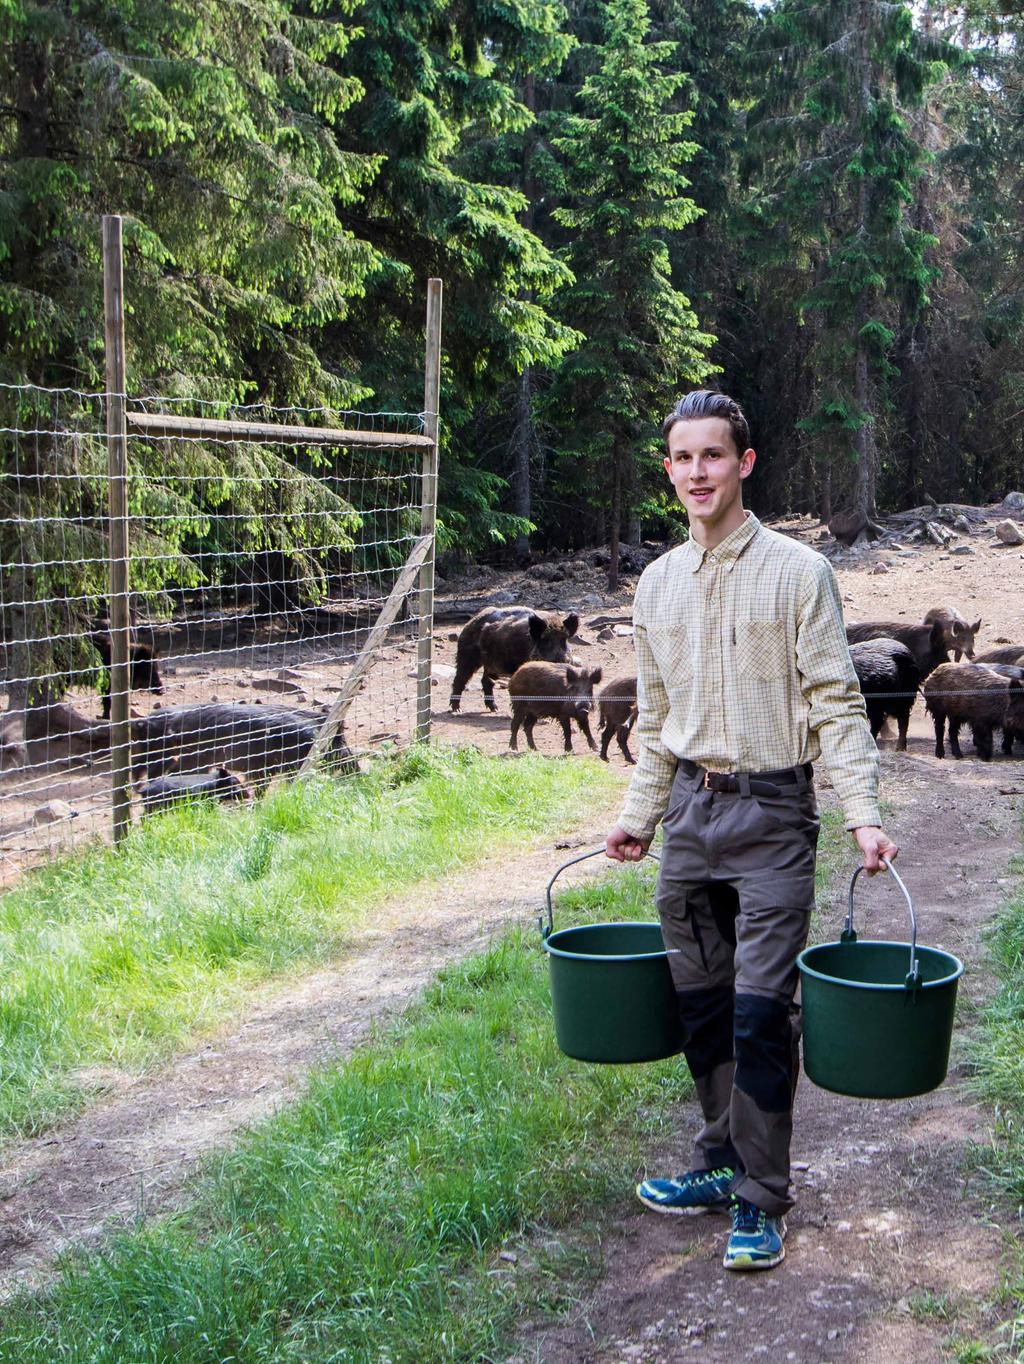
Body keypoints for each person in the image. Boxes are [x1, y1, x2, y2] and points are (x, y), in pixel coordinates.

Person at [605, 390, 898, 1272]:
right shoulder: (656, 585)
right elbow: (655, 720)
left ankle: (763, 1200)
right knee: (701, 1006)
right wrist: (636, 818)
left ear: (745, 464)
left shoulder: (799, 573)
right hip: (691, 816)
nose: (698, 472)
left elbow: (837, 704)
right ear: (670, 470)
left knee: (762, 1011)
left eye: (714, 457)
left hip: (773, 812)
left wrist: (865, 814)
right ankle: (720, 1158)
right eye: (683, 459)